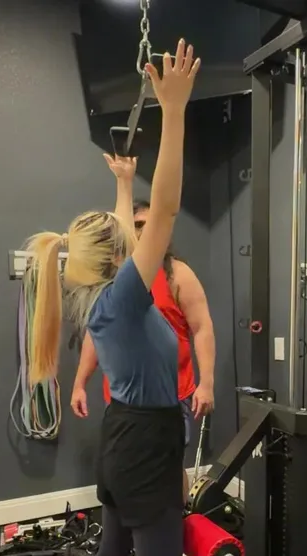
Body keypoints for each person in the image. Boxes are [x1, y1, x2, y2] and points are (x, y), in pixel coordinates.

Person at [21, 40, 199, 556]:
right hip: (145, 443)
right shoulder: (125, 296)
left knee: (113, 544)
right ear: (118, 258)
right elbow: (168, 210)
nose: (136, 240)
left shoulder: (98, 294)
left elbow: (126, 232)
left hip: (124, 436)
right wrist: (173, 112)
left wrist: (124, 184)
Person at [71, 198, 216, 505]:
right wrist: (80, 383)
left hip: (171, 397)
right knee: (129, 472)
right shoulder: (114, 283)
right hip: (123, 401)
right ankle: (141, 526)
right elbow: (96, 334)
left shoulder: (179, 274)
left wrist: (207, 384)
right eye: (138, 225)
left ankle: (174, 521)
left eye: (151, 225)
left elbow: (202, 328)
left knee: (169, 469)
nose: (146, 232)